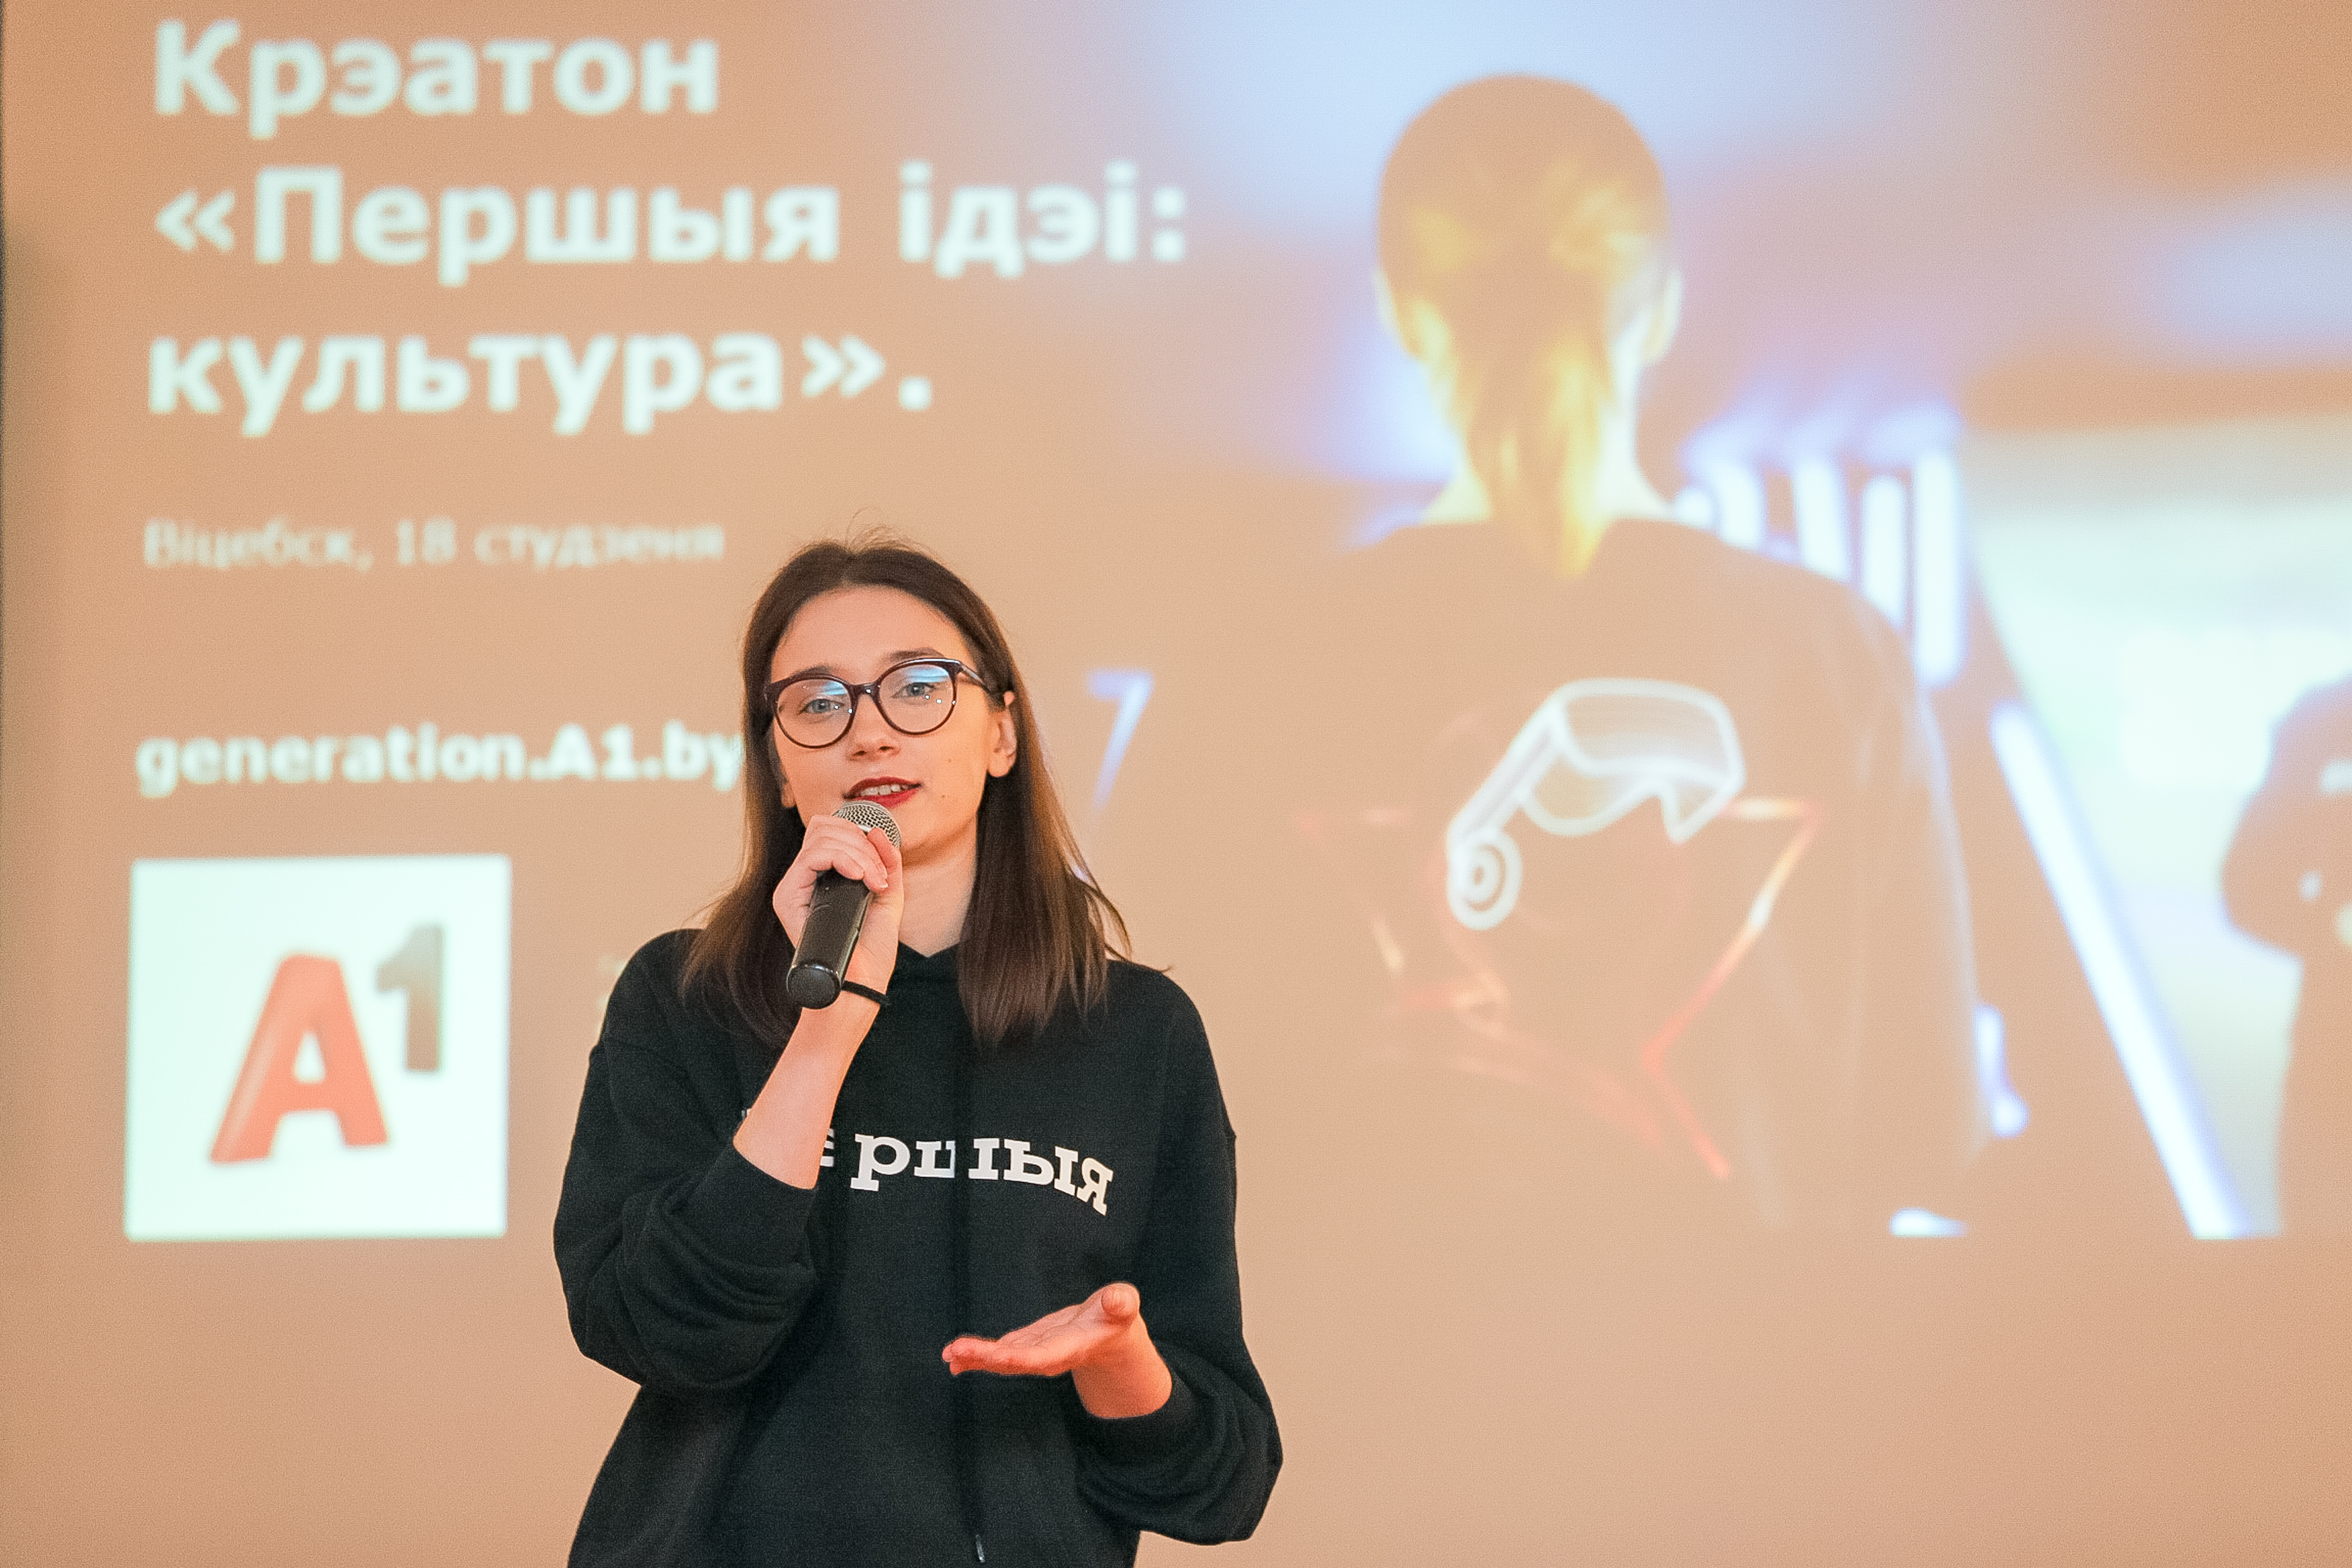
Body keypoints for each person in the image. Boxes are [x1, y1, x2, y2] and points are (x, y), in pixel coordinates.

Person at [1267, 74, 1987, 1229]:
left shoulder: (1254, 664)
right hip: (1769, 1343)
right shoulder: (1836, 655)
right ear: (1660, 310)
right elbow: (1925, 1133)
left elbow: (1132, 1125)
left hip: (1358, 1348)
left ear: (1401, 311)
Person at [554, 535, 1279, 1566]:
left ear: (1002, 732)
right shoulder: (684, 998)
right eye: (818, 703)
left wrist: (1118, 1359)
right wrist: (826, 1031)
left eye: (919, 687)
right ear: (778, 762)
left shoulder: (1136, 1031)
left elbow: (1223, 1481)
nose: (869, 731)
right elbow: (655, 1331)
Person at [2222, 672, 2352, 1234]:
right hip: (2334, 1074)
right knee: (2317, 1273)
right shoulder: (2325, 720)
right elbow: (2249, 884)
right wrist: (2332, 939)